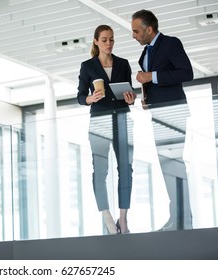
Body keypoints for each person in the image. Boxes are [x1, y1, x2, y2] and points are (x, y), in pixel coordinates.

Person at [131, 9, 194, 231]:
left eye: (136, 31)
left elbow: (186, 73)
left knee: (174, 164)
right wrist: (147, 96)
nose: (134, 35)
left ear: (149, 29)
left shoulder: (170, 43)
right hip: (158, 115)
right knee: (166, 166)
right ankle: (177, 216)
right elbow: (155, 80)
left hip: (174, 114)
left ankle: (183, 219)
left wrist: (152, 76)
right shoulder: (146, 52)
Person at [77, 24, 136, 234]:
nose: (109, 43)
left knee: (126, 170)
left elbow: (129, 91)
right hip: (99, 122)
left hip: (122, 119)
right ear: (96, 41)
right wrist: (90, 98)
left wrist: (131, 99)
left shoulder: (123, 63)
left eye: (111, 39)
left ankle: (123, 218)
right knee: (100, 171)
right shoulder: (88, 66)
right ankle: (107, 216)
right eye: (104, 39)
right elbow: (80, 96)